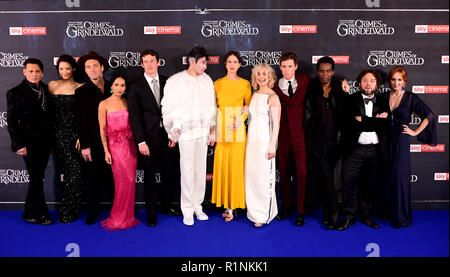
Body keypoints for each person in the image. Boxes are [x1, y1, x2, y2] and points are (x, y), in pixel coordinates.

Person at [161, 46, 217, 226]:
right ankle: (187, 210)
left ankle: (197, 206)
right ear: (192, 62)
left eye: (206, 63)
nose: (205, 67)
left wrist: (211, 129)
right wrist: (174, 131)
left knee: (200, 172)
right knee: (187, 172)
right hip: (185, 134)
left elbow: (212, 106)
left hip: (202, 133)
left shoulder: (207, 80)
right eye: (202, 63)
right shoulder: (175, 81)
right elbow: (169, 108)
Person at [128, 49, 182, 227]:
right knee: (150, 176)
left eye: (153, 61)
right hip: (147, 140)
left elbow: (176, 110)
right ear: (141, 64)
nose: (150, 64)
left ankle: (166, 207)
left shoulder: (169, 82)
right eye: (146, 61)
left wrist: (174, 134)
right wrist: (140, 141)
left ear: (159, 62)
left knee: (169, 173)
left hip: (168, 137)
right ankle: (152, 212)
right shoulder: (135, 85)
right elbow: (134, 116)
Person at [337, 69, 391, 231]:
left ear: (377, 84)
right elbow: (350, 123)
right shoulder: (351, 100)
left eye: (372, 80)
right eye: (365, 80)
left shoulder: (382, 100)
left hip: (375, 150)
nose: (368, 83)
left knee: (369, 184)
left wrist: (365, 121)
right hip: (354, 150)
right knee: (349, 183)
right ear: (359, 83)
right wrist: (375, 121)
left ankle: (365, 215)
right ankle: (348, 215)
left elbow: (386, 124)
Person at [387, 66, 437, 228]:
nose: (396, 82)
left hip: (401, 140)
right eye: (393, 79)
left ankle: (401, 217)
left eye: (399, 80)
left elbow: (429, 115)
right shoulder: (384, 96)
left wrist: (415, 132)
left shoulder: (410, 97)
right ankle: (389, 212)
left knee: (400, 178)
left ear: (405, 82)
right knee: (388, 176)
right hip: (386, 139)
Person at [6, 58, 53, 225]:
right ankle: (42, 212)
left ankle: (28, 211)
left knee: (36, 177)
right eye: (31, 71)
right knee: (36, 176)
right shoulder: (15, 92)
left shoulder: (47, 90)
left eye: (37, 71)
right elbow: (11, 122)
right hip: (29, 143)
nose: (34, 74)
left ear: (42, 73)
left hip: (46, 142)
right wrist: (18, 144)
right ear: (24, 72)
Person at [304, 56, 347, 229]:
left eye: (328, 71)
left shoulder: (339, 88)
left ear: (333, 72)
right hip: (317, 142)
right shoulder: (312, 89)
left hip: (336, 142)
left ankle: (328, 213)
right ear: (317, 71)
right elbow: (307, 114)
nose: (324, 74)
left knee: (333, 177)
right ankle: (334, 212)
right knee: (325, 176)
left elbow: (345, 113)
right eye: (321, 70)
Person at [211, 51, 252, 222]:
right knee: (223, 166)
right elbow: (212, 109)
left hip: (237, 130)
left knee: (236, 168)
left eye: (235, 61)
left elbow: (249, 108)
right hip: (221, 129)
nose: (232, 64)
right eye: (229, 61)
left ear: (240, 64)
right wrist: (212, 130)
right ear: (225, 64)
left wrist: (240, 118)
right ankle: (226, 204)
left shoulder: (245, 84)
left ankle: (235, 205)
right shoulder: (217, 83)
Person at [74, 51, 114, 225]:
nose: (92, 70)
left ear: (102, 68)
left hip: (115, 140)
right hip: (93, 141)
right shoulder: (82, 91)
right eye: (88, 67)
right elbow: (80, 120)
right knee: (91, 177)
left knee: (115, 177)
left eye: (95, 66)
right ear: (85, 70)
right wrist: (85, 145)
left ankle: (117, 208)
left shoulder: (115, 87)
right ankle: (93, 210)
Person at [98, 74, 141, 231]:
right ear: (111, 86)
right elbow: (102, 130)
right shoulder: (104, 104)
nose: (119, 88)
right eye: (116, 85)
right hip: (115, 148)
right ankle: (118, 216)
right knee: (122, 180)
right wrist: (106, 151)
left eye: (122, 85)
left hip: (130, 147)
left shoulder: (127, 102)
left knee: (130, 180)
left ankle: (128, 216)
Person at [272, 52, 309, 226]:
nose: (287, 70)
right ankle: (287, 208)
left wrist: (342, 82)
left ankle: (301, 211)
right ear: (280, 67)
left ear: (296, 66)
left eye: (290, 66)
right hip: (283, 135)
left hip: (300, 135)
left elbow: (324, 84)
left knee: (302, 173)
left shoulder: (304, 81)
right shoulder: (274, 85)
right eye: (284, 66)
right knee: (284, 172)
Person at [48, 54, 84, 223]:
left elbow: (83, 116)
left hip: (74, 135)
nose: (64, 71)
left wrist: (80, 135)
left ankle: (70, 209)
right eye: (61, 68)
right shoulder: (51, 86)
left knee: (75, 171)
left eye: (67, 68)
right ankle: (66, 209)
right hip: (56, 134)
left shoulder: (80, 87)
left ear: (74, 69)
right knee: (66, 171)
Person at [245, 63, 281, 228]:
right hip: (251, 142)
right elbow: (250, 115)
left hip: (264, 143)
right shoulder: (254, 94)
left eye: (264, 74)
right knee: (252, 178)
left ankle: (263, 213)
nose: (261, 77)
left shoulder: (272, 97)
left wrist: (272, 146)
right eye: (258, 74)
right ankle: (252, 211)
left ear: (270, 77)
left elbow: (276, 125)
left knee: (263, 178)